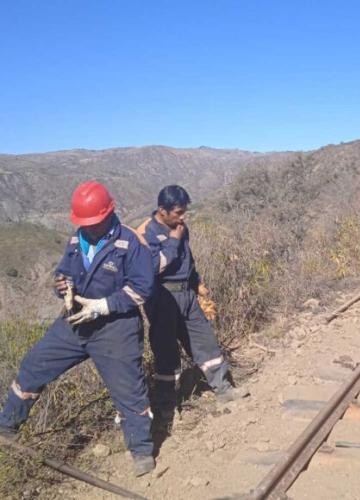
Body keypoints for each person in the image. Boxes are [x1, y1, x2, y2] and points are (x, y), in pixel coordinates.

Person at [0, 181, 156, 476]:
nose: (90, 228)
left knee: (129, 391)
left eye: (94, 222)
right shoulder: (77, 240)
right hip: (74, 322)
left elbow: (142, 288)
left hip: (115, 329)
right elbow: (65, 271)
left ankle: (141, 451)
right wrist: (62, 285)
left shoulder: (129, 243)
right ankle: (7, 425)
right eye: (85, 223)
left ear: (109, 213)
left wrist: (104, 305)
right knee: (34, 366)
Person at [137, 185, 248, 419]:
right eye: (178, 212)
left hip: (187, 295)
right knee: (166, 352)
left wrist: (197, 282)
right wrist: (173, 241)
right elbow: (152, 267)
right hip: (163, 297)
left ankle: (223, 389)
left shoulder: (180, 227)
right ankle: (167, 406)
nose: (182, 216)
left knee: (205, 341)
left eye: (184, 211)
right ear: (162, 210)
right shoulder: (145, 233)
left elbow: (188, 258)